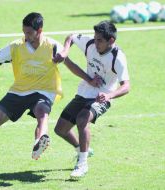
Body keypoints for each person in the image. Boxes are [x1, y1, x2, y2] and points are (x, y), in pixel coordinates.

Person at [0, 12, 92, 161]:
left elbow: (71, 66)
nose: (26, 36)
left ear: (40, 30)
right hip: (19, 91)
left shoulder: (53, 46)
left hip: (45, 90)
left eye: (29, 33)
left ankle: (40, 140)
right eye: (24, 32)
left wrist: (89, 79)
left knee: (42, 113)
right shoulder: (16, 46)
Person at [53, 20, 130, 178]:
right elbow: (71, 37)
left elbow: (126, 86)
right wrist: (66, 51)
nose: (95, 43)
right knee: (60, 129)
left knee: (82, 120)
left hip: (103, 96)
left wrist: (109, 95)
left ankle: (82, 164)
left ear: (111, 41)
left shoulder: (118, 57)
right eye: (94, 39)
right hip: (84, 92)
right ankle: (83, 148)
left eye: (99, 40)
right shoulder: (90, 43)